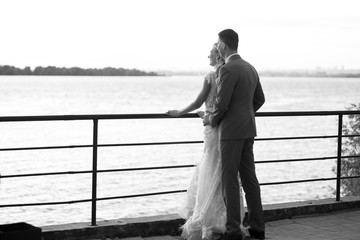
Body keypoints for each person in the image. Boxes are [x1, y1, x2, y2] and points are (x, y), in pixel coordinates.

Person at [167, 43, 247, 240]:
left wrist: (179, 112)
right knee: (225, 174)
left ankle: (206, 222)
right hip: (227, 127)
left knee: (210, 170)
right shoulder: (228, 73)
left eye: (210, 53)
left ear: (218, 56)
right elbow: (227, 104)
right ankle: (227, 221)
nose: (207, 56)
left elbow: (197, 102)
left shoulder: (212, 76)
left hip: (213, 128)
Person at [204, 29, 266, 240]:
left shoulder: (227, 70)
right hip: (248, 129)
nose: (217, 46)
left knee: (229, 179)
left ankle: (232, 230)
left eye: (218, 43)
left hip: (230, 132)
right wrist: (245, 114)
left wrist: (210, 119)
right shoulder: (250, 68)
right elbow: (260, 99)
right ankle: (258, 227)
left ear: (222, 45)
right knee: (250, 179)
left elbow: (221, 105)